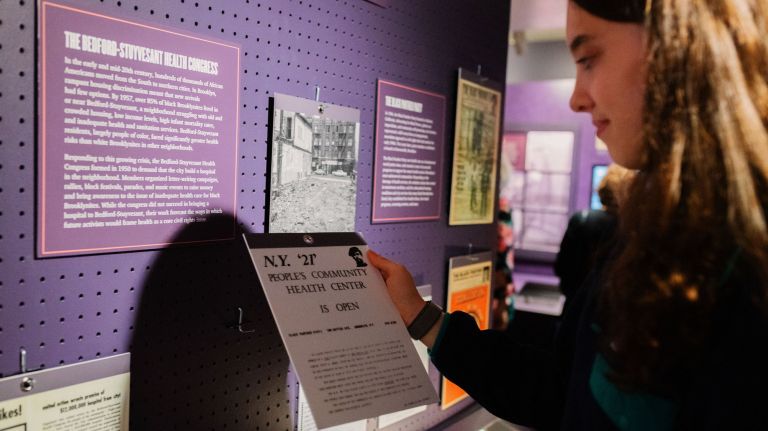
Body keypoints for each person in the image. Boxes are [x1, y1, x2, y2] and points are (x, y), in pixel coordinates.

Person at [368, 0, 768, 429]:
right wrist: (421, 316)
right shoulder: (645, 239)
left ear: (681, 47)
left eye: (589, 58)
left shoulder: (746, 270)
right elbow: (559, 391)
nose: (577, 98)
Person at [554, 164, 633, 303]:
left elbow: (562, 267)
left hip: (577, 303)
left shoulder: (582, 220)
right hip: (613, 309)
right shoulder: (632, 229)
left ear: (602, 189)